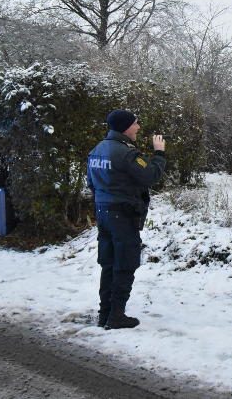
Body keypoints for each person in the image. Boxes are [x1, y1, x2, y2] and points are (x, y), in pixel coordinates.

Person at [87, 110, 166, 329]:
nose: (138, 127)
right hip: (123, 215)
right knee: (125, 263)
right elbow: (151, 176)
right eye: (135, 124)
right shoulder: (126, 153)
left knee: (108, 263)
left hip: (103, 213)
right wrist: (159, 153)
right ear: (125, 127)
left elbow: (91, 184)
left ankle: (105, 314)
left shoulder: (96, 151)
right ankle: (116, 316)